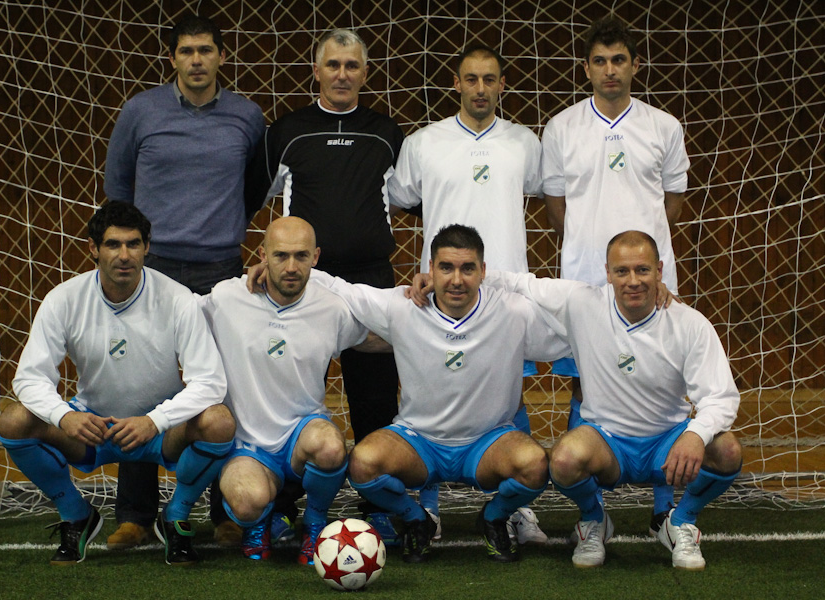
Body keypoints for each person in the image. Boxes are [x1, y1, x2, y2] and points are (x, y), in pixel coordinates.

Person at [299, 224, 569, 563]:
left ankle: (494, 516)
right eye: (446, 268)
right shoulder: (402, 306)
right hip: (419, 441)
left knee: (535, 465)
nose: (456, 279)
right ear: (430, 269)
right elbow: (342, 290)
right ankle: (417, 520)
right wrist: (282, 269)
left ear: (483, 271)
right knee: (363, 464)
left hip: (487, 443)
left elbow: (576, 324)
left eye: (467, 268)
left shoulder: (514, 312)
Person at [482, 230, 742, 570]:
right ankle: (594, 520)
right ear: (607, 273)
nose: (633, 281)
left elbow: (721, 396)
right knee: (563, 460)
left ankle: (681, 522)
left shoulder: (689, 323)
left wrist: (696, 434)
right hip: (608, 444)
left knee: (727, 450)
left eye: (642, 270)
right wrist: (443, 281)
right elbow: (519, 283)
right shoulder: (581, 302)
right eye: (622, 271)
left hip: (666, 443)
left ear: (659, 270)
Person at [103, 14, 264, 548]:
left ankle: (224, 509)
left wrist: (219, 226)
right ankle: (134, 513)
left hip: (221, 268)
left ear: (221, 56)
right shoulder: (140, 111)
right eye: (187, 51)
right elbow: (118, 188)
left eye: (206, 50)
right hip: (153, 268)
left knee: (223, 385)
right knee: (140, 383)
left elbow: (253, 189)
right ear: (172, 57)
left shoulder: (247, 117)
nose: (197, 60)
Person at [0, 203, 234, 566]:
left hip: (160, 432)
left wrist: (155, 420)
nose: (124, 255)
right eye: (113, 244)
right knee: (14, 421)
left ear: (147, 247)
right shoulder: (63, 299)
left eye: (133, 244)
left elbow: (210, 382)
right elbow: (29, 376)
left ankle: (176, 517)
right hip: (94, 427)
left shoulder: (177, 299)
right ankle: (75, 514)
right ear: (93, 248)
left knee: (219, 421)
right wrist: (64, 416)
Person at [244, 28, 405, 544]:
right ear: (316, 71)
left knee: (375, 398)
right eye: (332, 65)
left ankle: (378, 503)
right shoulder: (287, 132)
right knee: (291, 398)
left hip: (371, 283)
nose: (342, 74)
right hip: (302, 284)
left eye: (352, 65)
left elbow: (410, 199)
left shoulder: (387, 133)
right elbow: (251, 198)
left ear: (365, 73)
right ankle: (285, 505)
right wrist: (262, 262)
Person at [387, 44, 546, 544]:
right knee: (430, 395)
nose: (480, 88)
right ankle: (428, 509)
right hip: (441, 295)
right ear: (455, 83)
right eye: (471, 79)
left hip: (505, 295)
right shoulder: (422, 143)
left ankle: (515, 509)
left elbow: (547, 194)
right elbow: (399, 199)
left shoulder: (525, 143)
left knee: (509, 397)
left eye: (489, 79)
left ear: (502, 85)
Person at [541, 15, 691, 531]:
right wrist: (591, 254)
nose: (610, 70)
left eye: (619, 60)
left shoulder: (664, 126)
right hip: (585, 281)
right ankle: (591, 513)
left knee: (664, 382)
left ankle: (663, 507)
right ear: (586, 68)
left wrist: (641, 262)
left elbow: (673, 202)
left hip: (650, 284)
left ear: (635, 65)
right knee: (585, 384)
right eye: (600, 61)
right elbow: (555, 206)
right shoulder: (561, 127)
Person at [201, 216, 388, 565]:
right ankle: (257, 522)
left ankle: (315, 523)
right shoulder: (226, 298)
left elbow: (372, 339)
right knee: (246, 502)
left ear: (315, 257)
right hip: (248, 445)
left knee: (331, 447)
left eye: (301, 256)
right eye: (281, 255)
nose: (291, 267)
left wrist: (439, 340)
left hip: (302, 437)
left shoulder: (331, 306)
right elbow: (178, 324)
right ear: (262, 255)